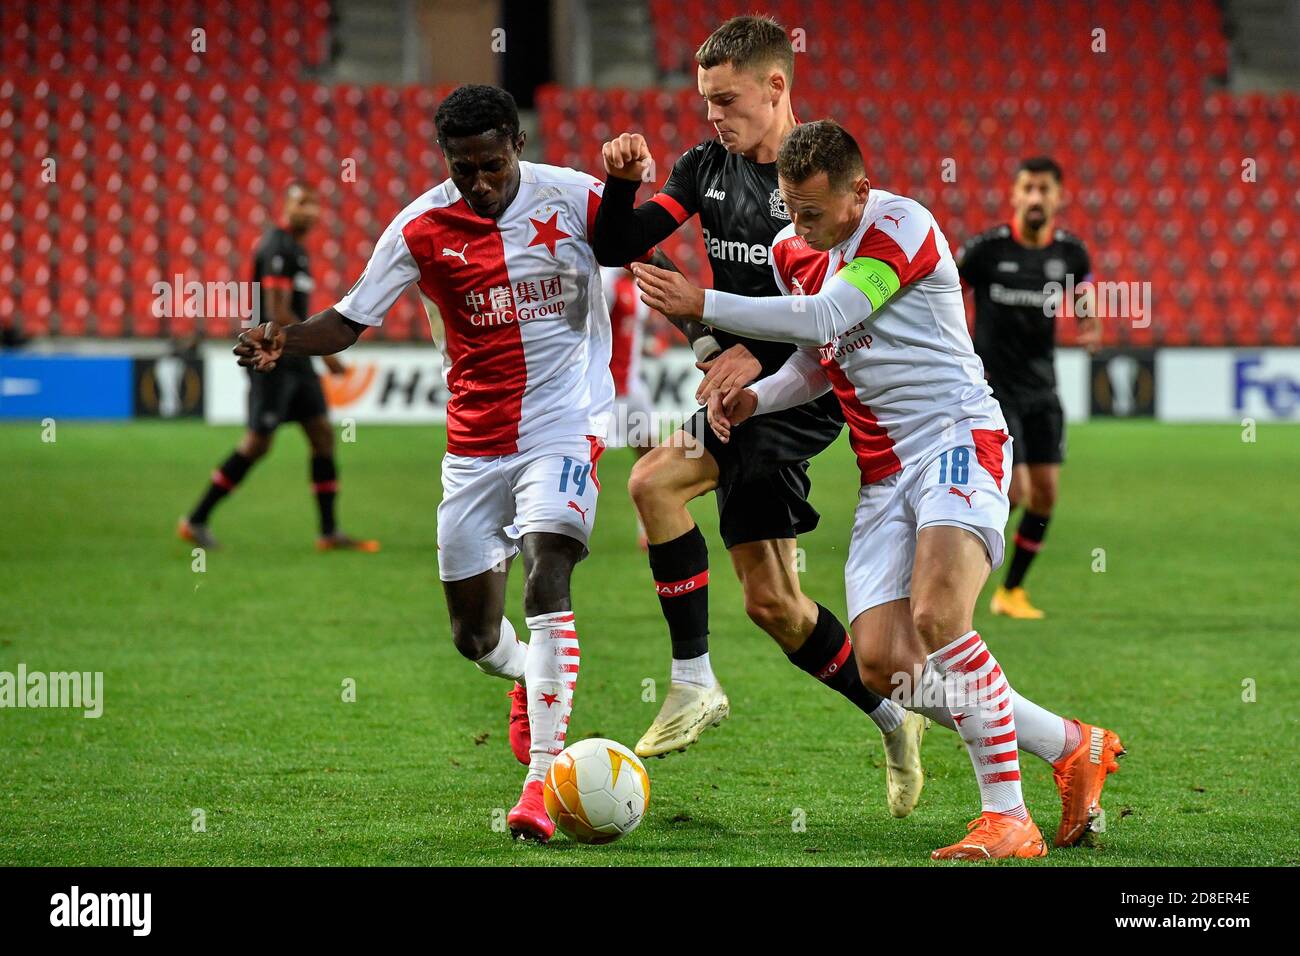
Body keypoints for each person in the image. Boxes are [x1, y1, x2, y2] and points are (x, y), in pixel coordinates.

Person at [634, 120, 1124, 860]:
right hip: (884, 471)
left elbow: (832, 313)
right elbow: (818, 358)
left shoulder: (903, 225)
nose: (800, 228)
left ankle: (1007, 818)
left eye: (814, 213)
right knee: (884, 666)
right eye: (790, 212)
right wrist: (756, 400)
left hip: (957, 439)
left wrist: (702, 301)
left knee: (939, 614)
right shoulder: (791, 251)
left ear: (859, 192)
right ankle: (1072, 744)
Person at [234, 85, 623, 843]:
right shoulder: (419, 226)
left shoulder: (574, 198)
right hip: (474, 445)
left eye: (492, 164)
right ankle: (526, 678)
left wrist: (713, 337)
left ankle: (539, 784)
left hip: (567, 423)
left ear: (516, 142)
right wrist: (286, 336)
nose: (478, 182)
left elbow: (642, 239)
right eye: (464, 168)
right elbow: (349, 319)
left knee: (549, 569)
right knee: (474, 637)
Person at [592, 14, 926, 818]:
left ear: (777, 87)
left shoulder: (818, 184)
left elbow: (829, 320)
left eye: (728, 99)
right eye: (706, 100)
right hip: (738, 387)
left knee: (651, 484)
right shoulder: (704, 166)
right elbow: (621, 246)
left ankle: (693, 681)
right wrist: (623, 183)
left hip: (803, 396)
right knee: (773, 603)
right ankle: (893, 720)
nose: (714, 116)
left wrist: (747, 354)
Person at [179, 181, 378, 553]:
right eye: (302, 202)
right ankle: (196, 519)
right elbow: (276, 311)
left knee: (321, 434)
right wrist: (329, 353)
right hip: (271, 356)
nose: (310, 210)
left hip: (293, 356)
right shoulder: (278, 246)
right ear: (285, 207)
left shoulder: (296, 250)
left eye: (315, 204)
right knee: (257, 443)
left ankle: (329, 532)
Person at [956, 157, 1098, 619]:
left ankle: (1010, 591)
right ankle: (958, 581)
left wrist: (1088, 318)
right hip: (995, 390)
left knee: (1046, 495)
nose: (1036, 198)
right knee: (1013, 491)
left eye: (1044, 190)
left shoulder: (1070, 253)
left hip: (1043, 389)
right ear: (1015, 195)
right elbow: (942, 286)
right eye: (1028, 188)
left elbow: (1083, 290)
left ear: (1058, 197)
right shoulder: (987, 252)